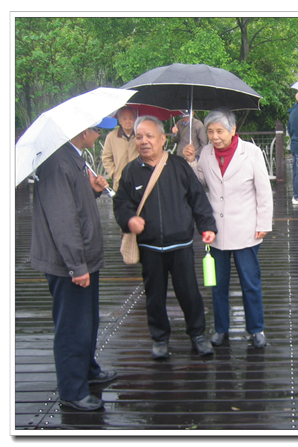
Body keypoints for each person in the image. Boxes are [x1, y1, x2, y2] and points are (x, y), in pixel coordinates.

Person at [30, 117, 119, 411]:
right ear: (84, 131)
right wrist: (77, 266)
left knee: (87, 321)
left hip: (83, 260)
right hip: (68, 264)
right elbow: (63, 221)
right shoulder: (58, 164)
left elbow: (76, 203)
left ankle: (88, 370)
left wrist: (93, 189)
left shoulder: (74, 158)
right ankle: (72, 389)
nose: (99, 135)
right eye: (97, 130)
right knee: (72, 327)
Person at [113, 116, 217, 360]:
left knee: (189, 292)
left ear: (162, 139)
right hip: (149, 246)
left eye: (149, 136)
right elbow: (121, 204)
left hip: (180, 244)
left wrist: (207, 225)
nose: (144, 141)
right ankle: (159, 338)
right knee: (154, 295)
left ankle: (197, 334)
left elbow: (198, 198)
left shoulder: (179, 166)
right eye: (139, 137)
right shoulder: (131, 171)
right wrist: (129, 220)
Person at [183, 109, 273, 349]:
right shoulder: (207, 154)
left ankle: (256, 329)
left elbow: (264, 190)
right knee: (217, 284)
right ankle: (221, 328)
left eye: (219, 131)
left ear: (233, 130)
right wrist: (192, 161)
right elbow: (200, 183)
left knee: (250, 283)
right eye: (210, 131)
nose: (214, 136)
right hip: (216, 232)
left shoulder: (251, 152)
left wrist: (263, 223)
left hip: (246, 230)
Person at [101, 106, 139, 191]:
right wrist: (113, 173)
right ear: (120, 121)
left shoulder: (140, 135)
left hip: (138, 180)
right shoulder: (111, 136)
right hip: (119, 181)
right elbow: (106, 157)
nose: (128, 121)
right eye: (124, 118)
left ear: (135, 119)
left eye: (131, 118)